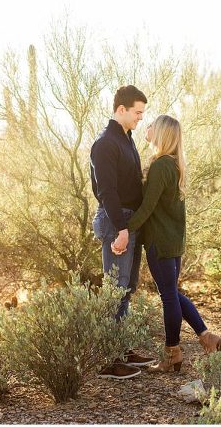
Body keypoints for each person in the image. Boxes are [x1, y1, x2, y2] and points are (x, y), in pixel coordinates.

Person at [115, 114, 221, 372]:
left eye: (153, 124)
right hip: (173, 242)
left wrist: (125, 230)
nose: (148, 127)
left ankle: (172, 354)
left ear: (162, 133)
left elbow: (146, 208)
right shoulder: (173, 164)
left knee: (168, 296)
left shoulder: (160, 166)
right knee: (173, 294)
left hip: (160, 242)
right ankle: (206, 337)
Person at [89, 85, 156, 380]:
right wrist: (123, 229)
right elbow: (107, 192)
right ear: (121, 110)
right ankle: (109, 359)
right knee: (114, 292)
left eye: (142, 113)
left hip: (130, 222)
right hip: (117, 222)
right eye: (137, 113)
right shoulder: (105, 144)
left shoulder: (126, 140)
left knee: (125, 290)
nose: (140, 118)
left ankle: (123, 350)